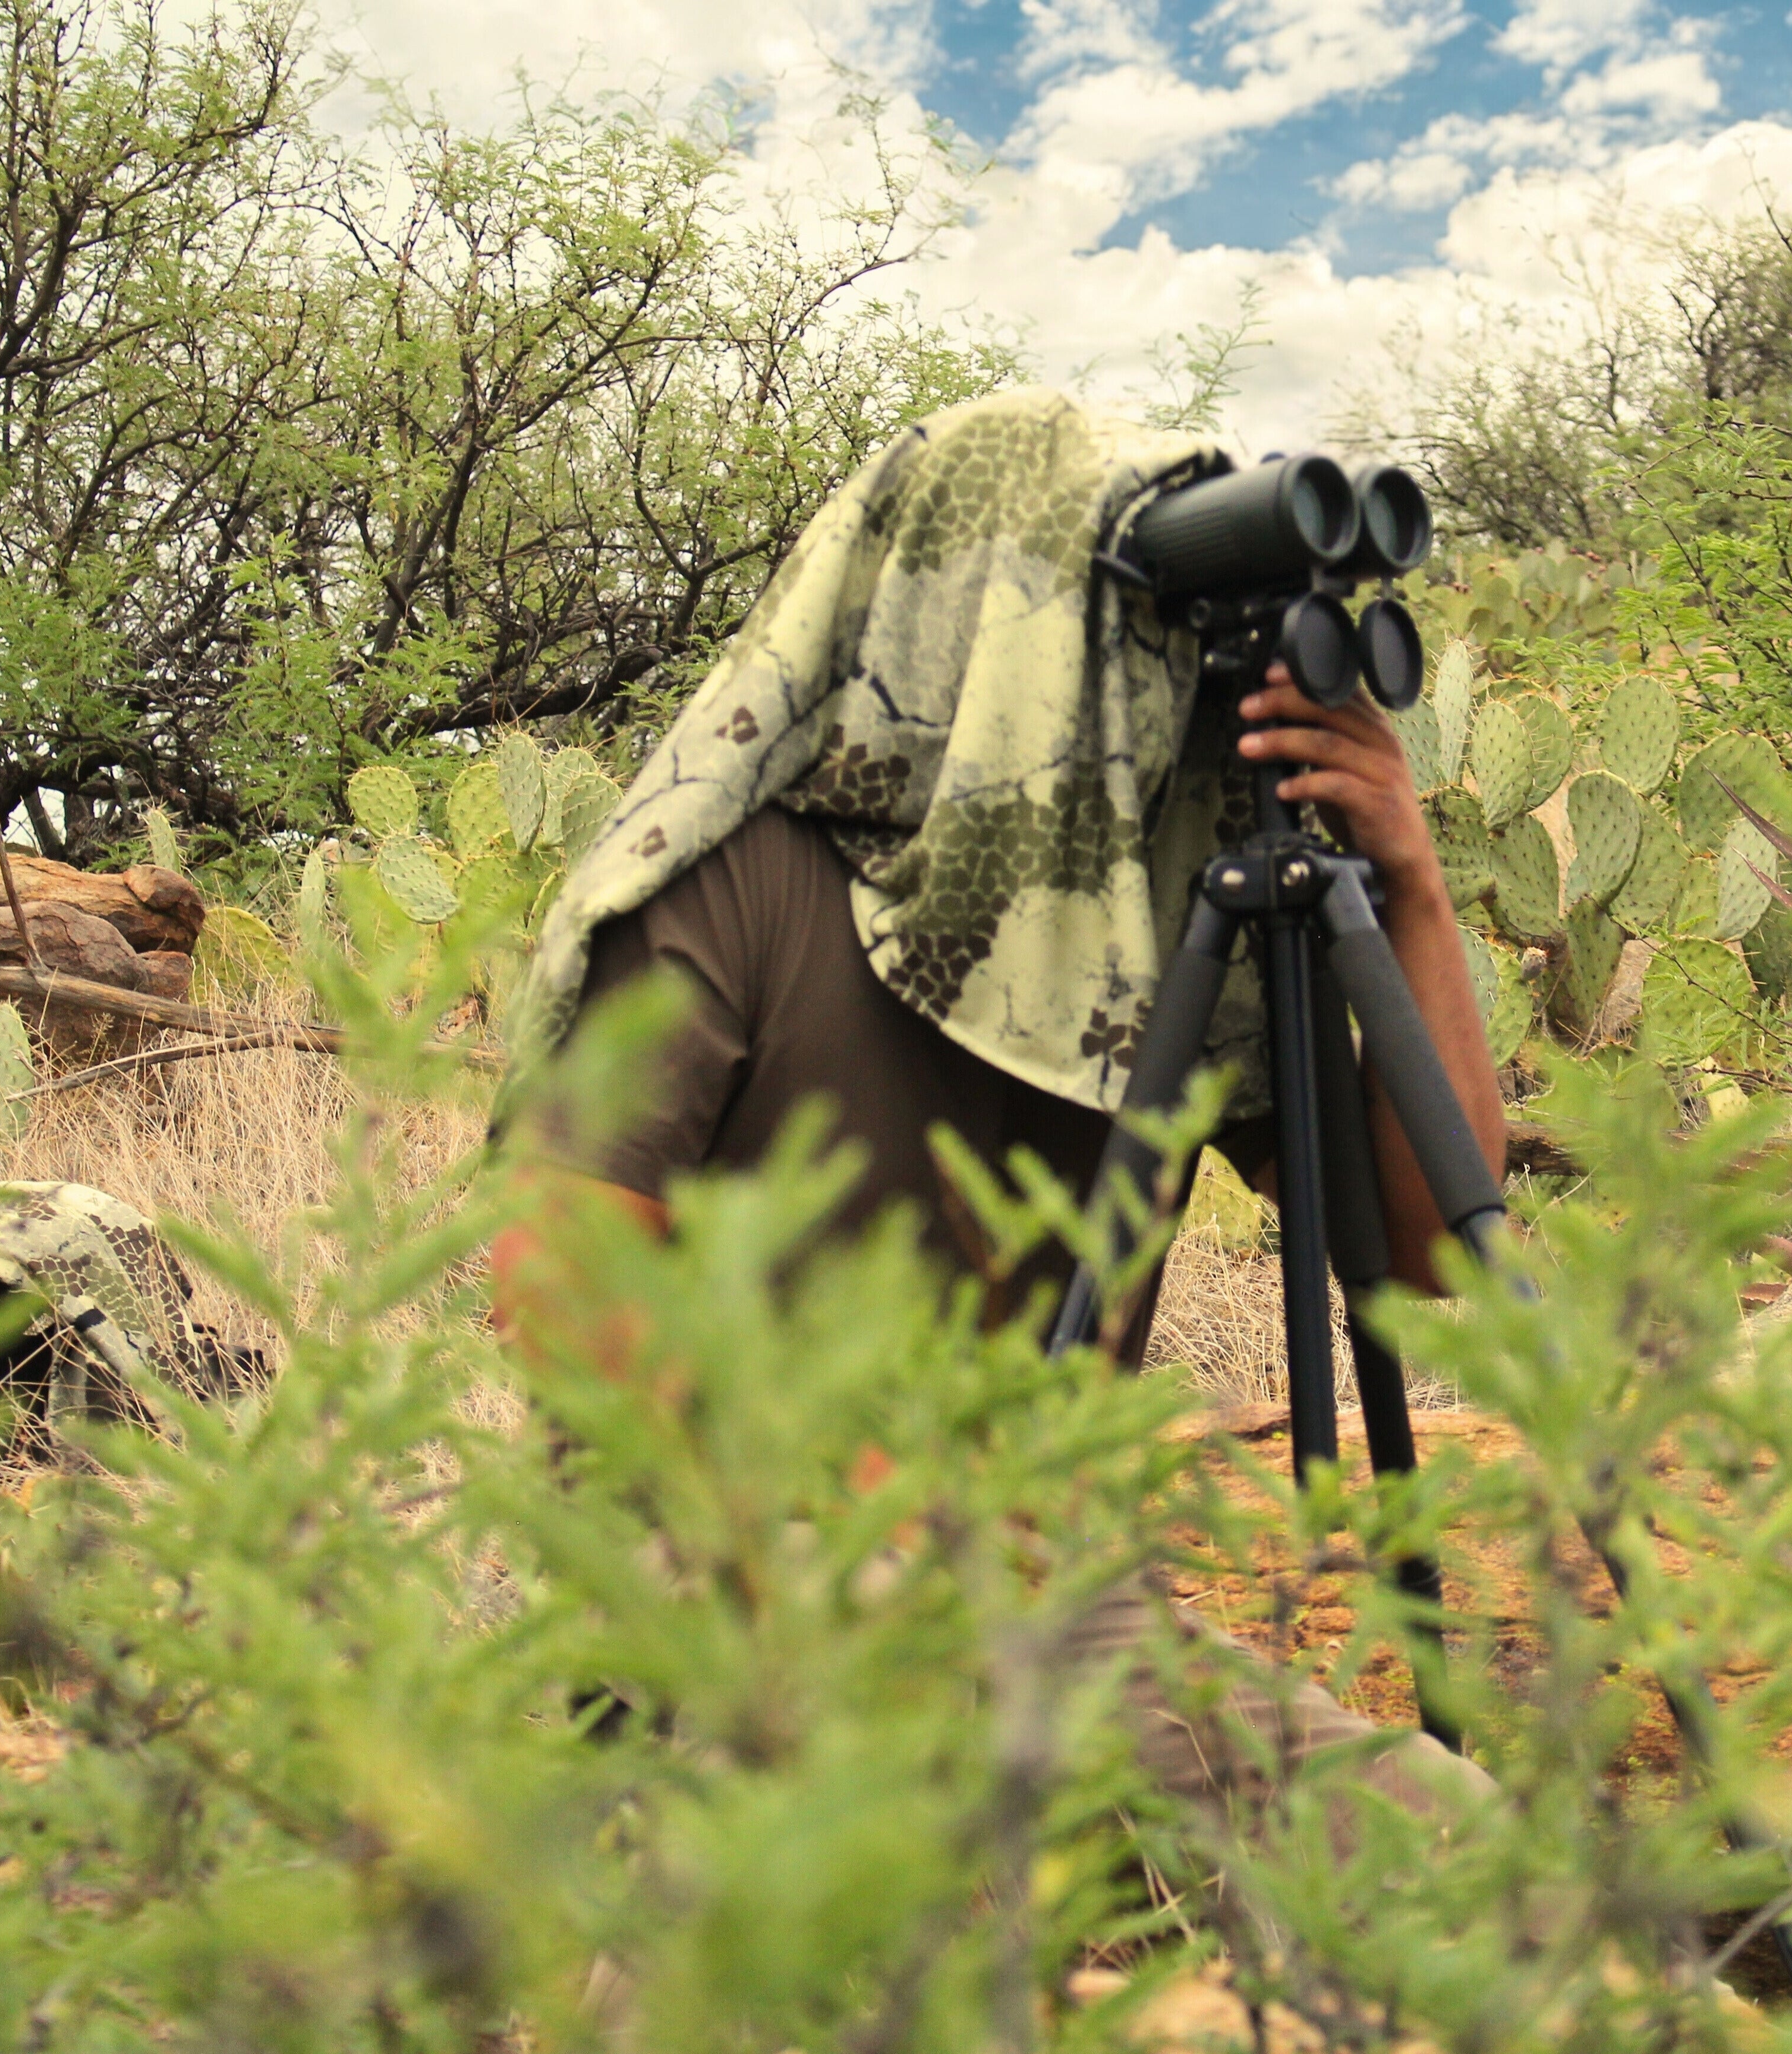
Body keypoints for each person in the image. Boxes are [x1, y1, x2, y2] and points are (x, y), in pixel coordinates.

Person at [488, 386, 1506, 1819]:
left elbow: (1427, 1252)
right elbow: (558, 1283)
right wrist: (860, 1488)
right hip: (730, 1566)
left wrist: (1408, 884)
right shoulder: (743, 877)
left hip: (1045, 1607)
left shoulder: (1163, 928)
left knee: (1451, 1845)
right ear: (972, 622)